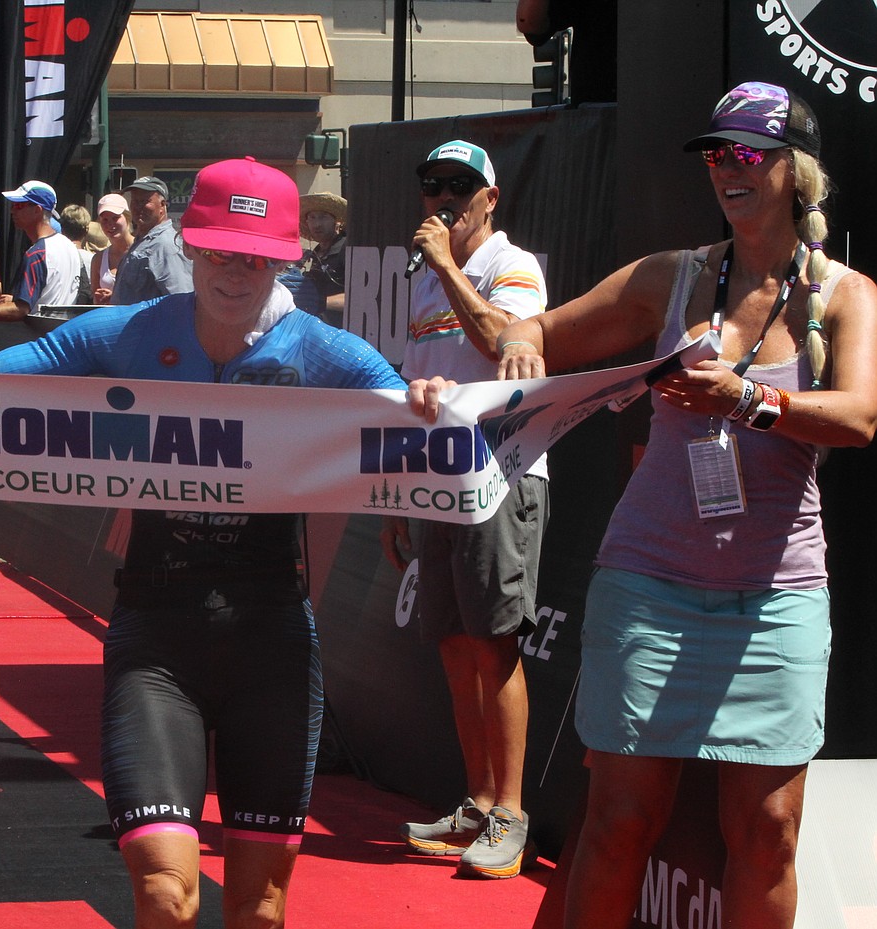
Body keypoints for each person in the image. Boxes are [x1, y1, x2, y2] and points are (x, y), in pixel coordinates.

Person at [0, 155, 451, 929]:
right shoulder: (135, 329)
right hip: (156, 639)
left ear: (283, 258)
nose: (235, 271)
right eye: (217, 251)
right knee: (165, 893)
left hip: (273, 642)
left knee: (261, 905)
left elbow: (408, 403)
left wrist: (428, 396)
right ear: (189, 246)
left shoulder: (323, 350)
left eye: (256, 256)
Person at [496, 82, 877, 929]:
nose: (725, 169)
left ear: (796, 171)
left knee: (769, 829)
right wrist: (521, 336)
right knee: (623, 818)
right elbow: (539, 333)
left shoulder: (845, 294)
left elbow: (859, 417)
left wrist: (745, 399)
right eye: (715, 154)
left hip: (776, 598)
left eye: (746, 153)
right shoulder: (674, 276)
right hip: (652, 585)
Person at [384, 139, 549, 880]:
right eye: (432, 185)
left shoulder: (512, 267)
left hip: (502, 476)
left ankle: (511, 811)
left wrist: (449, 267)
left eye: (460, 185)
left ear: (491, 197)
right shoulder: (422, 284)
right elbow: (412, 391)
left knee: (495, 641)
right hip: (436, 479)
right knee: (454, 644)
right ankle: (479, 802)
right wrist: (394, 491)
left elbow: (501, 345)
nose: (443, 197)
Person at [0, 180, 80, 322]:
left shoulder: (37, 254)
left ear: (37, 210)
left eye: (19, 205)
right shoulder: (68, 246)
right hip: (62, 334)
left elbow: (20, 310)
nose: (12, 210)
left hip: (40, 338)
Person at [111, 176, 192, 305]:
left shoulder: (167, 246)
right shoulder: (142, 242)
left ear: (162, 205)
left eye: (144, 201)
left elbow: (180, 301)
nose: (138, 207)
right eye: (135, 201)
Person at [298, 192, 347, 326]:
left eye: (323, 217)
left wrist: (319, 302)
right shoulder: (315, 253)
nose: (317, 224)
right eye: (312, 218)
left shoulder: (347, 249)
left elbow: (362, 298)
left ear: (337, 221)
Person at [90, 192, 133, 305]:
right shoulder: (98, 259)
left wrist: (116, 297)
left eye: (115, 218)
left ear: (127, 218)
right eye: (105, 220)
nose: (110, 224)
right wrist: (100, 299)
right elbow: (95, 301)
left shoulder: (143, 249)